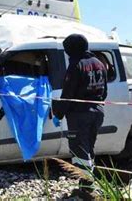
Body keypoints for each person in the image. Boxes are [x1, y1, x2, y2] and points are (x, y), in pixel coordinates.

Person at [52, 34, 107, 184]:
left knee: (79, 150)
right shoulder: (99, 63)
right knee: (89, 147)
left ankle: (86, 186)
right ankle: (90, 181)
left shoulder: (76, 64)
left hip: (80, 115)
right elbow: (105, 92)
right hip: (98, 112)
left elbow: (68, 94)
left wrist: (58, 114)